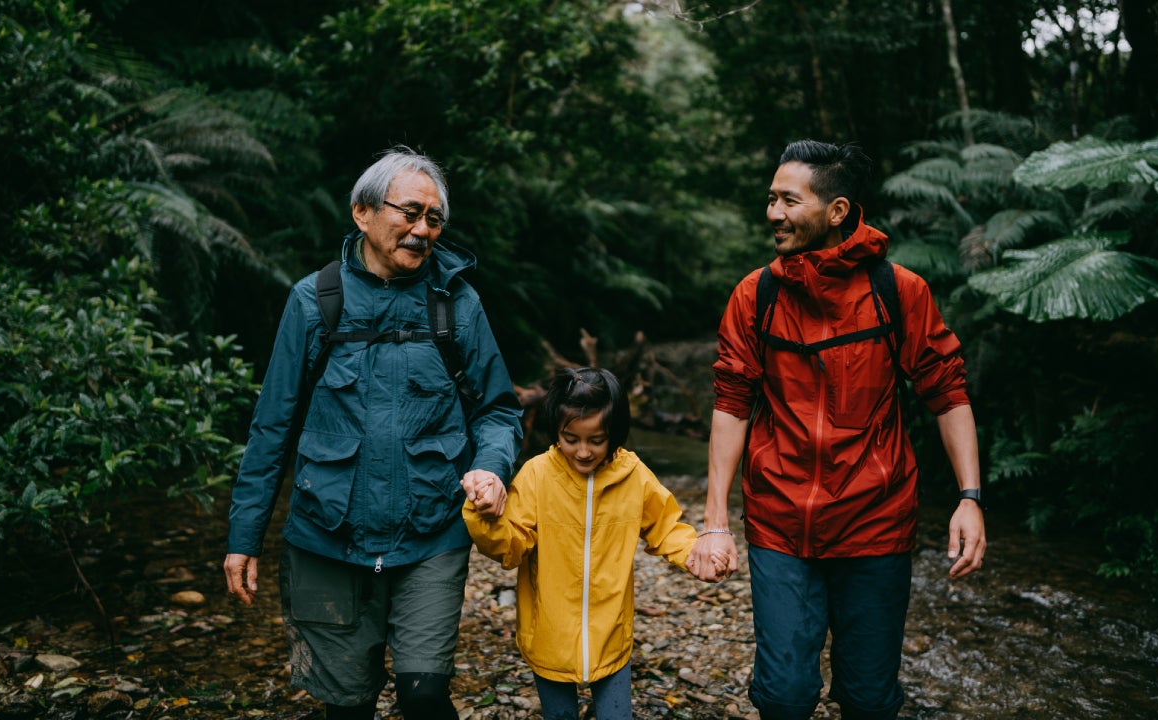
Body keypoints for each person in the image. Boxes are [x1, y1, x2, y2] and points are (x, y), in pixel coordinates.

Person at [688, 139, 986, 720]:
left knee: (871, 699)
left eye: (788, 200)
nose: (772, 213)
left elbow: (947, 394)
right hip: (779, 521)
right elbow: (731, 403)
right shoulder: (756, 296)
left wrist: (969, 498)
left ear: (837, 211)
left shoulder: (900, 293)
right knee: (783, 695)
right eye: (770, 199)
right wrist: (716, 523)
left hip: (876, 521)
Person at [223, 147, 523, 720]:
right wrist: (244, 536)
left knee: (426, 697)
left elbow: (499, 410)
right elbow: (272, 428)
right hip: (326, 537)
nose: (422, 229)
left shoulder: (456, 304)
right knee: (347, 706)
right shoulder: (313, 302)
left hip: (431, 534)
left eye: (434, 219)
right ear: (362, 213)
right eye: (409, 212)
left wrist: (492, 466)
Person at [462, 367, 720, 720]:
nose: (583, 451)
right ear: (557, 430)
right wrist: (485, 516)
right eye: (571, 438)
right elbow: (510, 548)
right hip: (549, 634)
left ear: (614, 433)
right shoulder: (537, 475)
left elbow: (666, 526)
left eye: (596, 440)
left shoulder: (634, 476)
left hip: (610, 632)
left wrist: (694, 553)